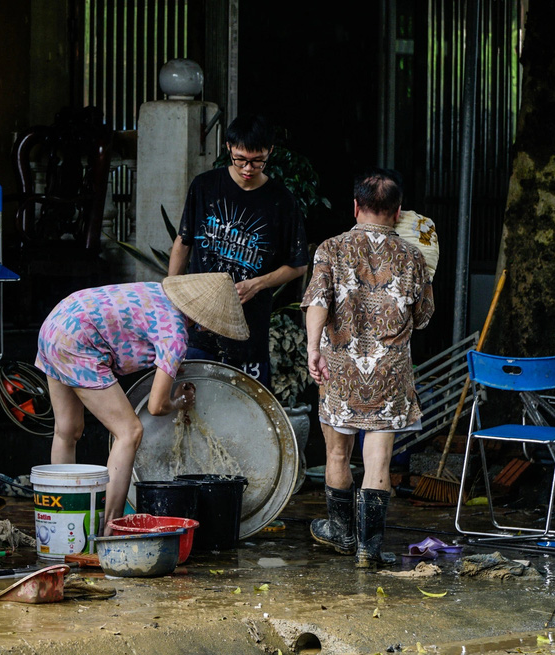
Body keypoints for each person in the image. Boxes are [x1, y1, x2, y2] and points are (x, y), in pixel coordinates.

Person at [35, 273, 248, 535]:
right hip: (79, 342)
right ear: (207, 323)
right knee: (129, 431)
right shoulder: (177, 335)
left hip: (57, 323)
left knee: (67, 431)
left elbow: (133, 332)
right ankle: (109, 528)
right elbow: (157, 406)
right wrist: (179, 401)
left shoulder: (156, 292)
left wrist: (171, 371)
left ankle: (60, 522)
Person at [302, 170, 435, 568]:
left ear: (356, 207)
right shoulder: (414, 256)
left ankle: (342, 534)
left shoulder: (330, 249)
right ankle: (368, 549)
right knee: (377, 459)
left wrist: (313, 348)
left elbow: (317, 300)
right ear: (397, 213)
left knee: (337, 453)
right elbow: (424, 316)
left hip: (340, 367)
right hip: (390, 371)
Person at [169, 114, 308, 392]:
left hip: (249, 329)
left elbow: (299, 264)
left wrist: (257, 284)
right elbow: (183, 243)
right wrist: (172, 295)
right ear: (228, 148)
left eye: (257, 161)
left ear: (270, 152)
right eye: (241, 159)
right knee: (188, 403)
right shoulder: (204, 186)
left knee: (248, 408)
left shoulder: (282, 201)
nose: (248, 168)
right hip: (197, 324)